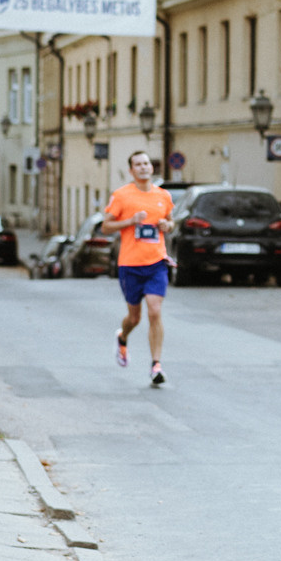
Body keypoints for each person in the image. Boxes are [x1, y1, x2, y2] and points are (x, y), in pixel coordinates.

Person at [102, 150, 175, 386]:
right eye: (138, 164)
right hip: (130, 265)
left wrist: (167, 224)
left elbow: (171, 222)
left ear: (151, 168)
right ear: (131, 170)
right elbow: (106, 227)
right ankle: (122, 338)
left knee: (155, 311)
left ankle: (156, 365)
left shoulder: (163, 196)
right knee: (134, 318)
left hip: (156, 263)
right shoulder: (122, 196)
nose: (143, 167)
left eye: (146, 163)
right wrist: (131, 221)